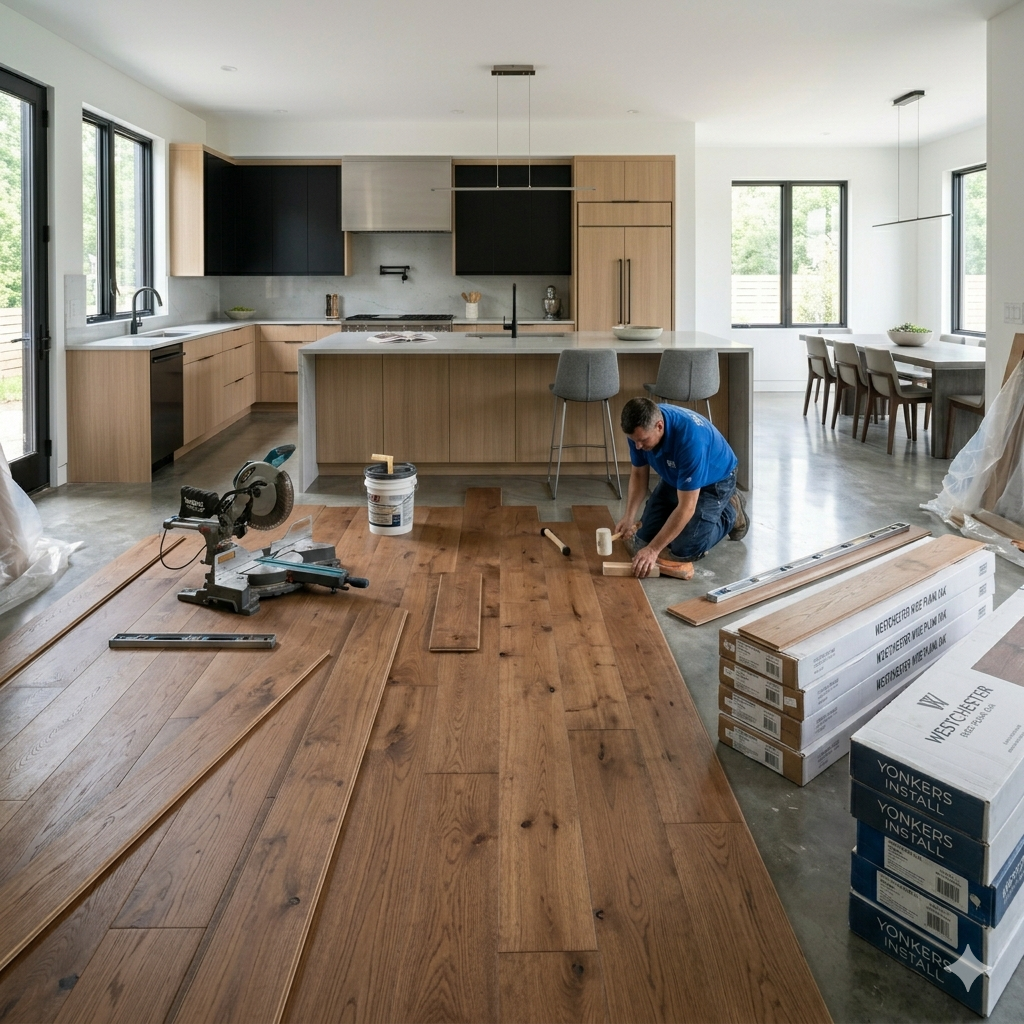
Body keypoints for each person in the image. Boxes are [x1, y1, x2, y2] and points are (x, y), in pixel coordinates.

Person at [614, 397, 747, 577]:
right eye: (634, 440)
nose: (638, 446)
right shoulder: (640, 431)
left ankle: (731, 508)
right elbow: (638, 474)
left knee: (684, 550)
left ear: (659, 426)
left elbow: (687, 507)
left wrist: (653, 550)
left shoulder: (690, 440)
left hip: (715, 481)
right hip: (677, 477)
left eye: (643, 440)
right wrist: (629, 517)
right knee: (642, 542)